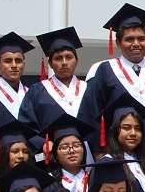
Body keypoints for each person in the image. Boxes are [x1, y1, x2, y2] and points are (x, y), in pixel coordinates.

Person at [19, 26, 96, 155]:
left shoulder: (89, 89)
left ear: (77, 60)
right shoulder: (37, 91)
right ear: (50, 63)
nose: (64, 63)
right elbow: (26, 126)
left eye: (69, 57)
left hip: (88, 155)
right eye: (58, 58)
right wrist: (42, 142)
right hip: (51, 156)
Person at [89, 5, 145, 140]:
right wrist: (99, 150)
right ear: (118, 43)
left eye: (141, 38)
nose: (136, 44)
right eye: (129, 39)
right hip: (117, 149)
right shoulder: (105, 70)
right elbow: (93, 112)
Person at [96, 93, 145, 192]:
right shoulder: (107, 163)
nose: (133, 133)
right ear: (114, 131)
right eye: (126, 127)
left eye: (138, 128)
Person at [41, 113, 94, 192]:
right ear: (55, 154)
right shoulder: (48, 183)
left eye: (76, 145)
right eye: (64, 147)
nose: (71, 150)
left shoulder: (94, 178)